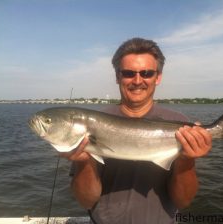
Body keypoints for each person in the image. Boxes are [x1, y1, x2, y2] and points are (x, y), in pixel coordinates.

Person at [61, 37, 212, 224]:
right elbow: (86, 200)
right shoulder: (92, 125)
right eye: (128, 73)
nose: (137, 80)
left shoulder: (180, 124)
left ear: (158, 77)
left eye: (147, 73)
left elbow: (183, 201)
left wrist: (186, 161)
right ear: (117, 77)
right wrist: (83, 163)